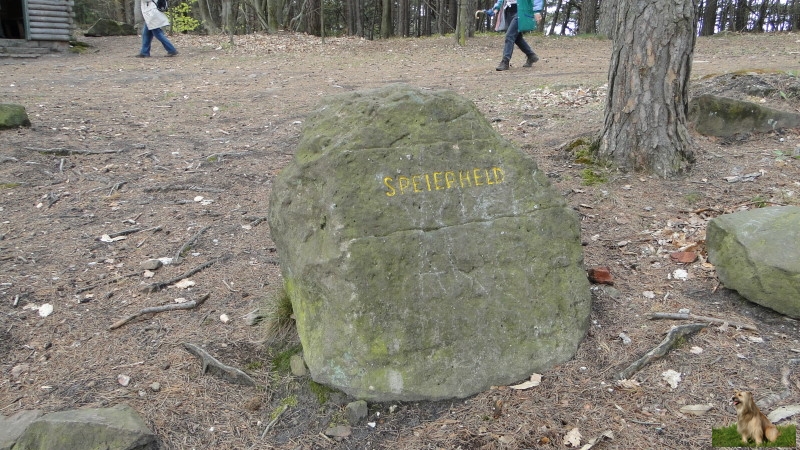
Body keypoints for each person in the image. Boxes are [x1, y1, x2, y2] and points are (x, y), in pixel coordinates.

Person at [486, 0, 542, 71]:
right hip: (509, 10)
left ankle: (505, 62)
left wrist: (537, 11)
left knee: (509, 36)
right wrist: (496, 8)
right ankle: (531, 55)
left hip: (521, 11)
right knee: (517, 38)